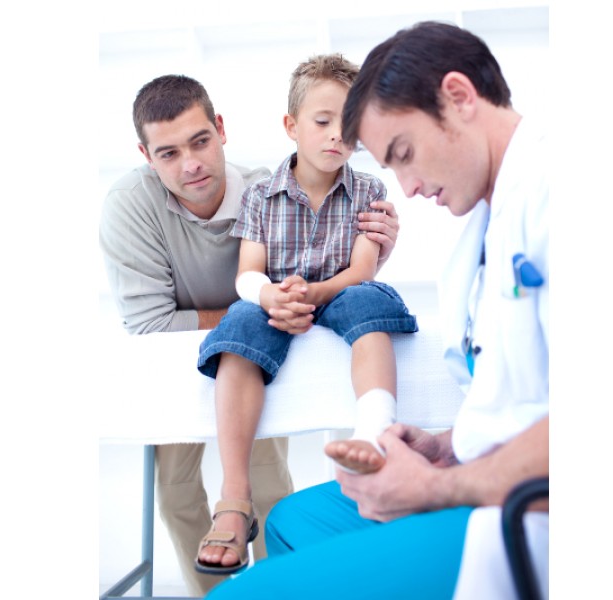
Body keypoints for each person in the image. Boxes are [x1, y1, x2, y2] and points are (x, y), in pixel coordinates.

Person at [206, 21, 549, 600]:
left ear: (459, 97)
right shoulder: (487, 218)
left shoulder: (554, 191)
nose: (407, 189)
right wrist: (446, 445)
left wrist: (439, 486)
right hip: (479, 468)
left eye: (405, 153)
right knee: (290, 522)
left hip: (521, 517)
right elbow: (526, 394)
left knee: (234, 596)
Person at [99, 74, 402, 596]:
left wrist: (373, 253)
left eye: (200, 141)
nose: (191, 164)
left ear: (220, 129)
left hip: (259, 355)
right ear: (147, 157)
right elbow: (150, 326)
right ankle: (215, 593)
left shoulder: (267, 191)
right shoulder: (129, 207)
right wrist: (259, 308)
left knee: (268, 475)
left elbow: (321, 276)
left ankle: (278, 589)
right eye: (168, 153)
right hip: (192, 353)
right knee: (174, 490)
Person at [193, 54, 419, 576]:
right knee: (241, 324)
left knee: (368, 302)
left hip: (339, 291)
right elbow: (248, 273)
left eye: (350, 124)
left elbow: (361, 270)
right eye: (322, 121)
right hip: (278, 297)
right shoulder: (260, 195)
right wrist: (270, 296)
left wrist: (314, 292)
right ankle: (234, 498)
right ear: (292, 126)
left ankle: (373, 435)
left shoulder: (368, 190)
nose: (337, 135)